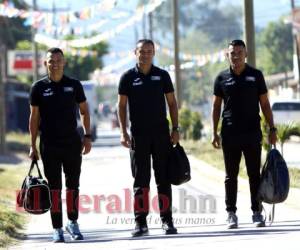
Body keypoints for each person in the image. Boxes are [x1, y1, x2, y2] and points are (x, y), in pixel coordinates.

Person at [211, 39, 277, 229]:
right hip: (230, 134)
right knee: (230, 176)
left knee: (254, 174)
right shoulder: (221, 78)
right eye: (232, 53)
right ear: (227, 55)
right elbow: (216, 107)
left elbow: (264, 104)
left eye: (240, 52)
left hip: (252, 133)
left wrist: (272, 128)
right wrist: (214, 132)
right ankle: (231, 213)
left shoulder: (256, 76)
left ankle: (257, 212)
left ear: (246, 54)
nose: (236, 56)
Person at [29, 47, 92, 242]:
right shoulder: (38, 87)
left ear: (64, 62)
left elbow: (84, 111)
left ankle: (72, 223)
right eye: (51, 60)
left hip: (72, 143)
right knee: (54, 188)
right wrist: (32, 145)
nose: (55, 63)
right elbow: (34, 117)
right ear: (45, 63)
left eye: (58, 60)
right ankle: (57, 228)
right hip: (49, 144)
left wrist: (87, 136)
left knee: (73, 186)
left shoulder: (74, 85)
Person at [118, 39, 179, 237]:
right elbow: (121, 106)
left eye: (149, 51)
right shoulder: (127, 77)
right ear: (135, 52)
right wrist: (123, 131)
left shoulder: (162, 76)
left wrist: (175, 128)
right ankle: (140, 223)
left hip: (161, 135)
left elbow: (172, 103)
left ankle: (167, 221)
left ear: (154, 53)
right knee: (141, 181)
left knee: (163, 179)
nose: (145, 54)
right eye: (142, 51)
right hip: (138, 136)